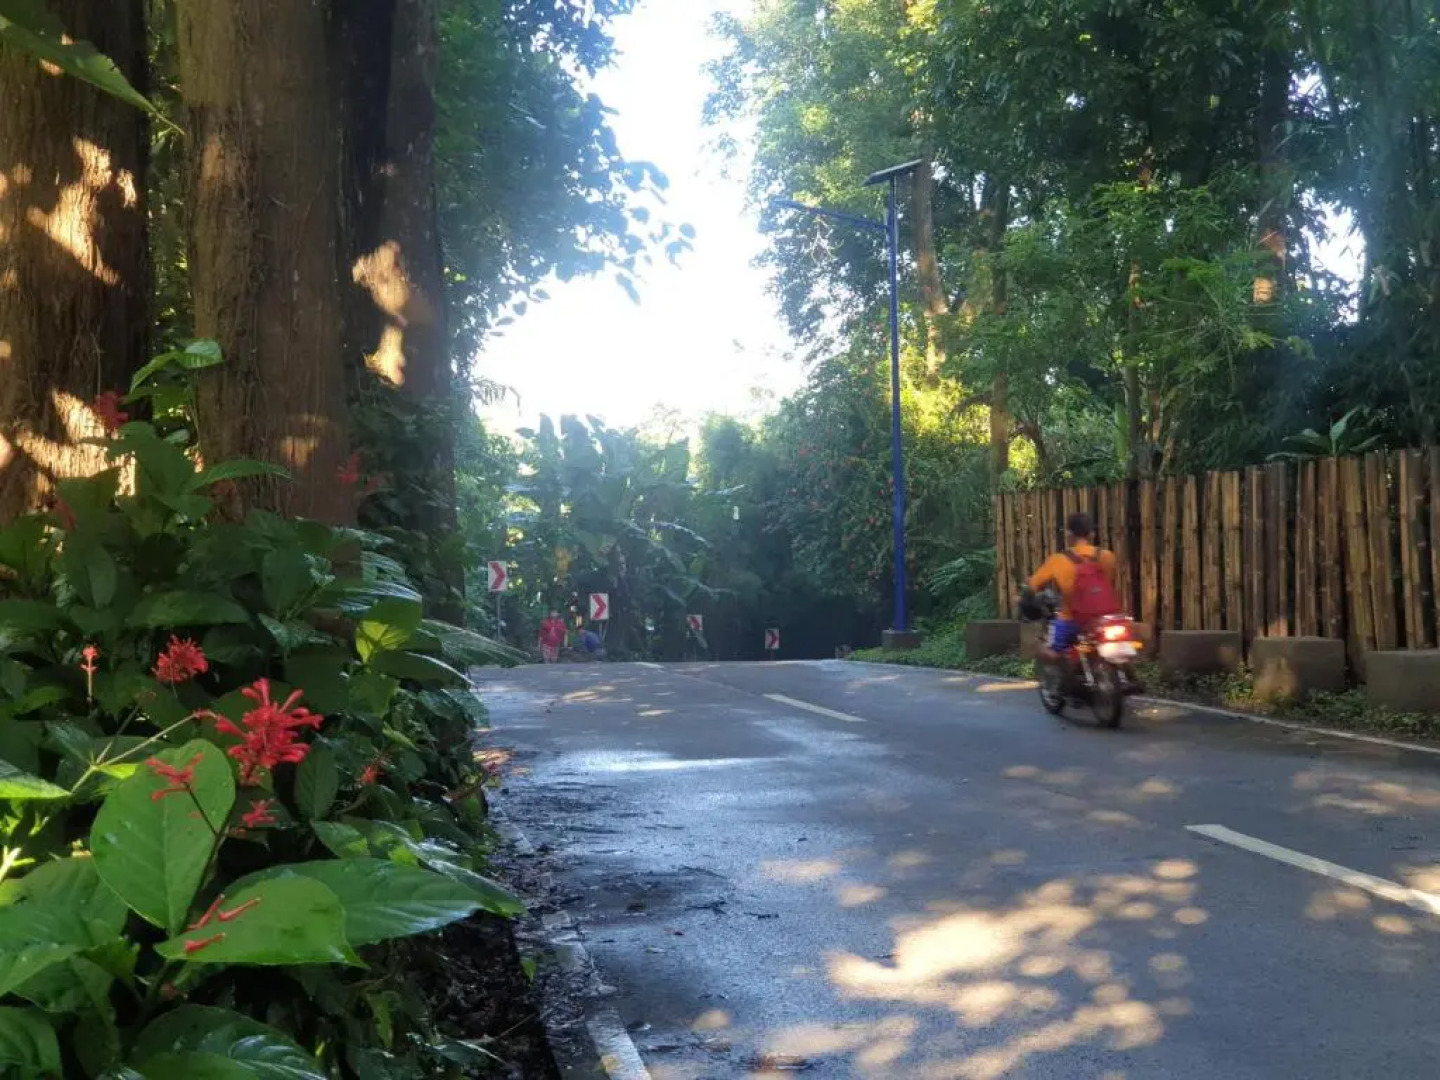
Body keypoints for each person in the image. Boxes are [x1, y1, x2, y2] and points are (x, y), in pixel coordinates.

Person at [1025, 511, 1121, 659]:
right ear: (1092, 534)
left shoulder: (1057, 560)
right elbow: (1110, 581)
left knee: (1049, 651)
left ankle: (1058, 678)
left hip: (1072, 619)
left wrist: (1024, 596)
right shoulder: (1107, 556)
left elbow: (1033, 585)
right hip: (1106, 620)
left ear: (1069, 534)